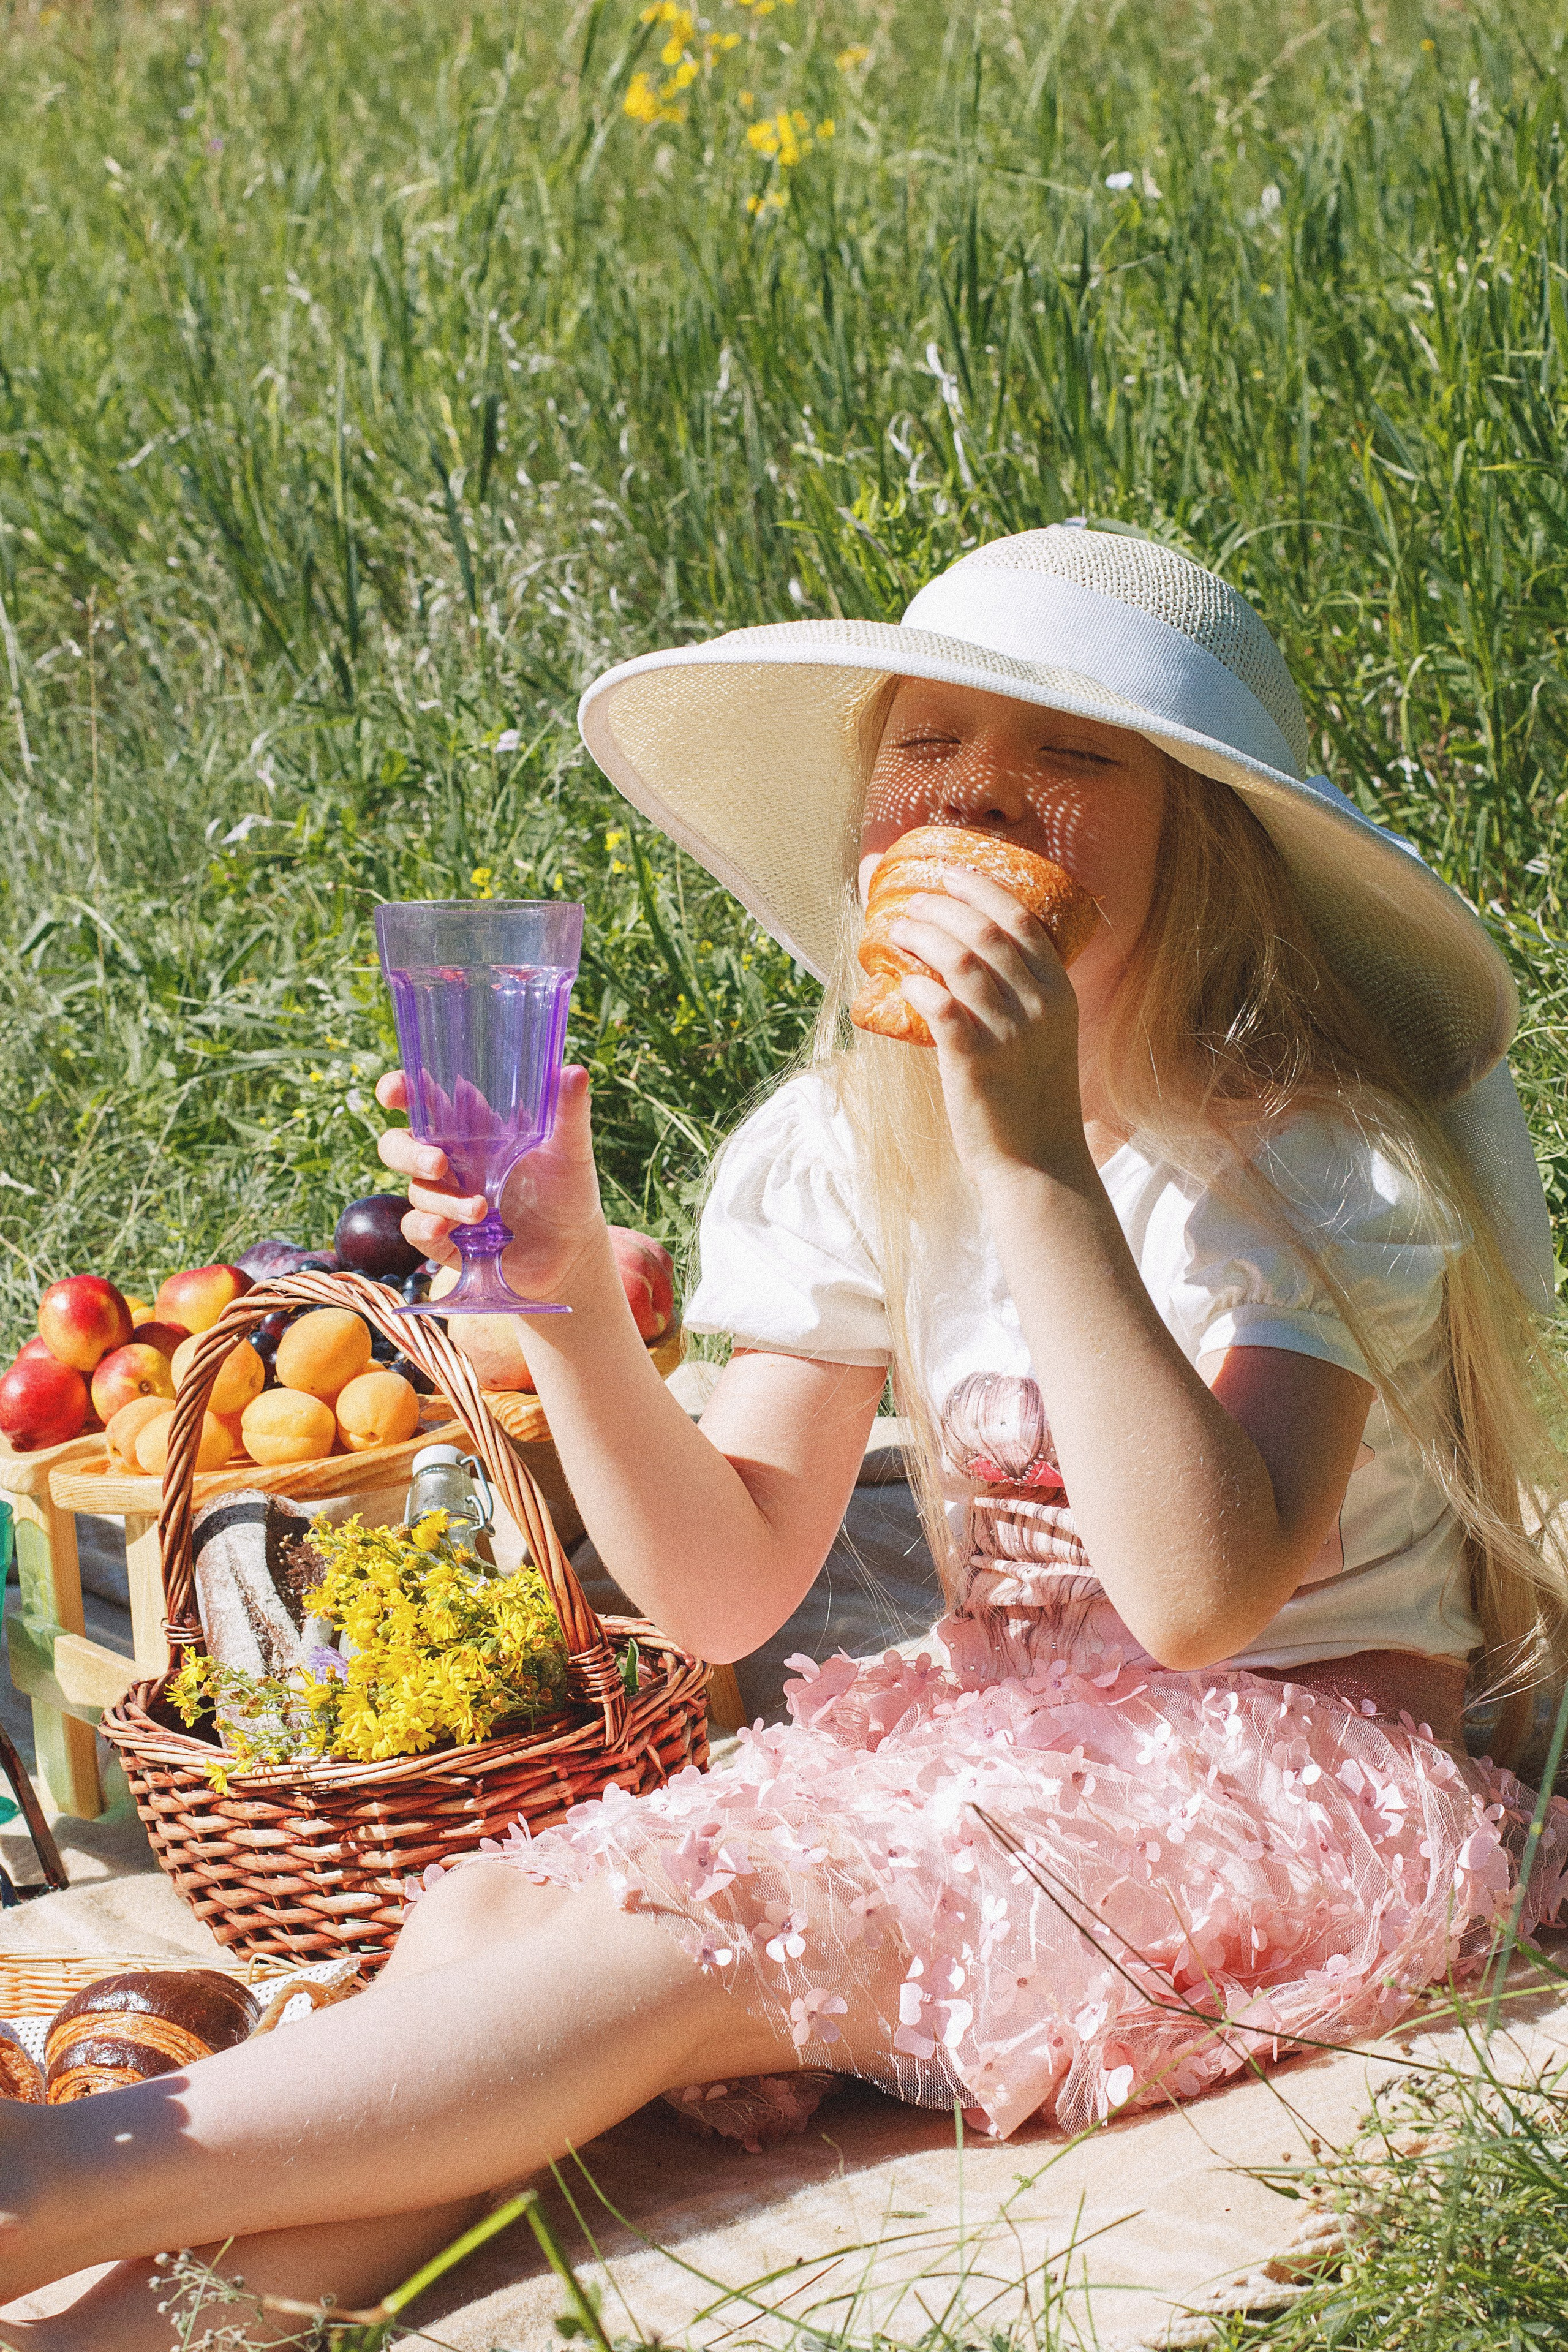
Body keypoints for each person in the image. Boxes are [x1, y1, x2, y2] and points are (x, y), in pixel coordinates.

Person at [6, 526, 1568, 2345]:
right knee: (495, 1933)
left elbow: (1204, 1600)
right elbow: (732, 1588)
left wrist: (1036, 1153)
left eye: (1076, 758)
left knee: (682, 1942)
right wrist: (572, 1300)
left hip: (1292, 1795)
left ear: (1202, 838)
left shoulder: (1304, 1162)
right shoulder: (855, 1139)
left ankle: (45, 2182)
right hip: (996, 1740)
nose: (988, 796)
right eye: (930, 749)